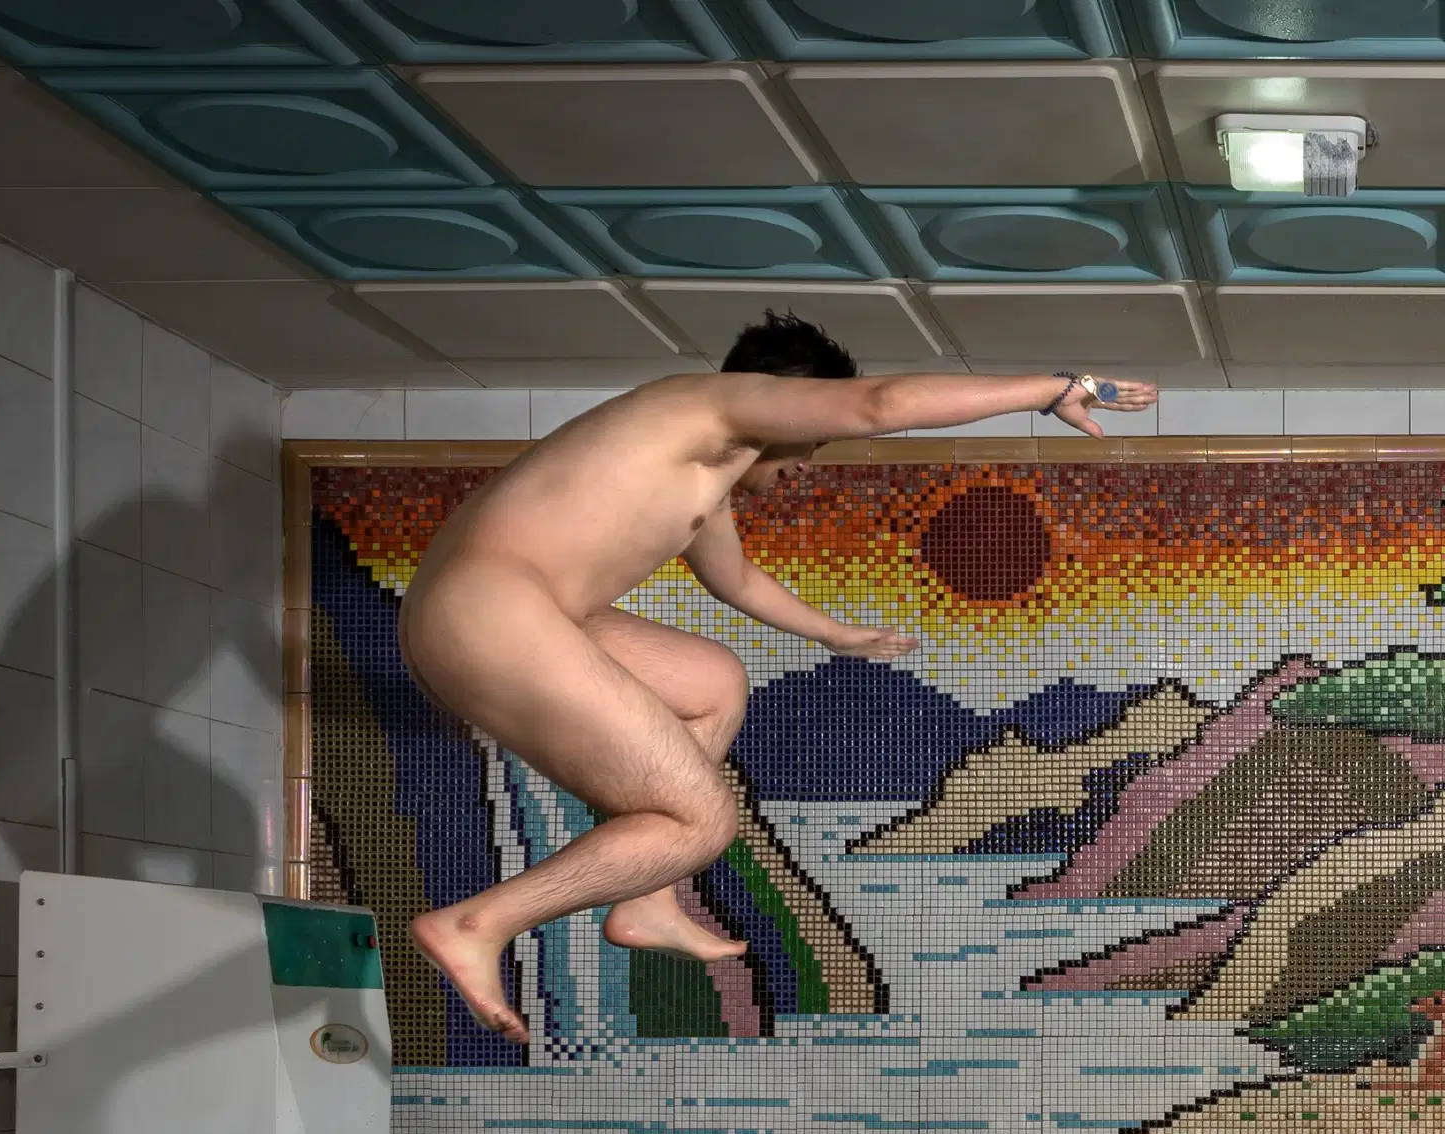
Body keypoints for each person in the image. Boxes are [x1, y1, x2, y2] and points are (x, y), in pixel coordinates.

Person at [398, 314, 1156, 1043]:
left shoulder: (700, 471)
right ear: (785, 399)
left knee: (712, 683)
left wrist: (841, 636)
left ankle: (648, 898)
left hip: (510, 612)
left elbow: (735, 580)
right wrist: (1055, 388)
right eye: (813, 438)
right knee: (701, 822)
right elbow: (881, 404)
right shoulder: (707, 405)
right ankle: (477, 923)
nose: (806, 463)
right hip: (486, 613)